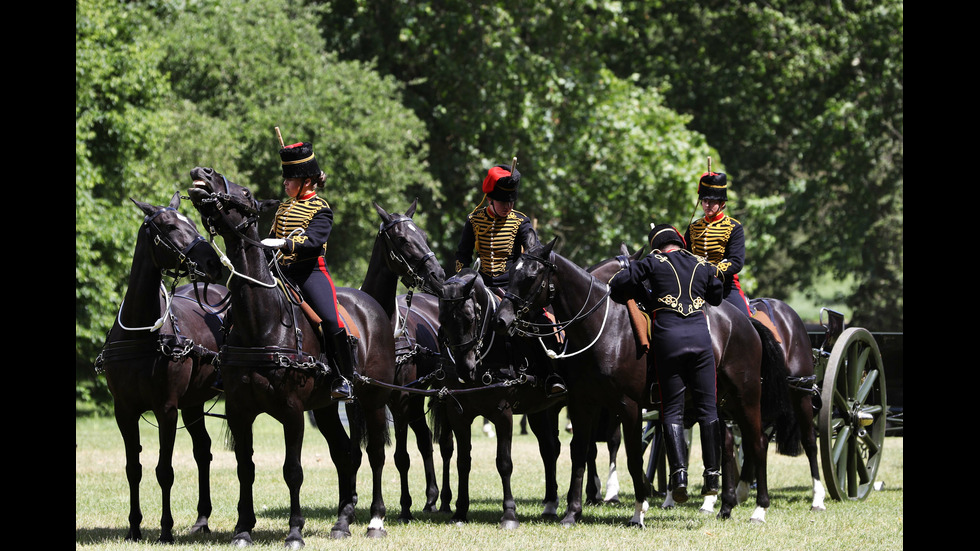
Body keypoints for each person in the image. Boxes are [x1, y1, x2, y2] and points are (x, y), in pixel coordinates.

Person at [608, 224, 724, 502]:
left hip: (668, 341)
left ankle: (679, 476)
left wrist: (648, 296)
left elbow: (619, 284)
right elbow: (717, 296)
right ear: (680, 243)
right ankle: (711, 476)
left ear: (657, 246)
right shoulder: (701, 263)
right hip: (700, 340)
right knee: (708, 408)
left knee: (671, 410)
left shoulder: (653, 260)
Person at [453, 163, 566, 395]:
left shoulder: (520, 222)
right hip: (481, 285)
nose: (508, 206)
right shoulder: (474, 221)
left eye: (511, 202)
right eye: (504, 202)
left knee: (540, 321)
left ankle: (550, 373)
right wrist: (461, 281)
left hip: (512, 287)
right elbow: (462, 256)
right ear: (490, 200)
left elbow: (532, 248)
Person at [260, 141, 355, 402]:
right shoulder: (282, 208)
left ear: (307, 181)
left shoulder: (321, 209)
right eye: (285, 177)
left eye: (290, 178)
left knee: (332, 321)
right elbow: (270, 241)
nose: (285, 183)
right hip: (280, 273)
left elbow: (313, 241)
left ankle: (344, 378)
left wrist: (286, 243)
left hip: (310, 273)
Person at [684, 171, 752, 316]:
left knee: (746, 321)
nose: (707, 205)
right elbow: (685, 256)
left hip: (726, 287)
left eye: (712, 201)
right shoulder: (693, 228)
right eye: (704, 201)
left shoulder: (734, 227)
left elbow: (736, 261)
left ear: (722, 204)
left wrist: (711, 270)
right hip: (696, 286)